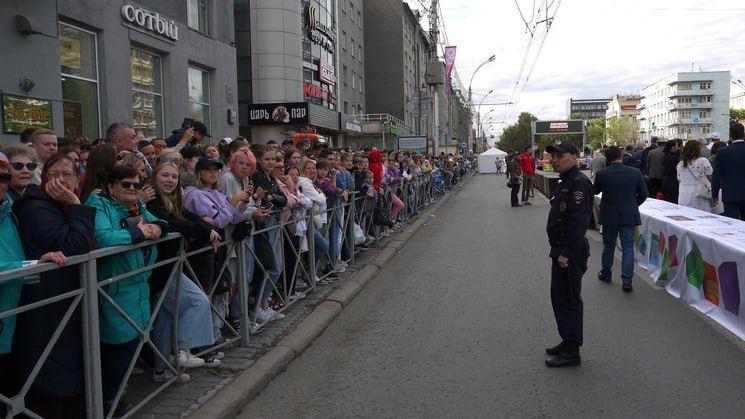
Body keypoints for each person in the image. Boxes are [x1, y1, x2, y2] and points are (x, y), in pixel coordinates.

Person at [12, 154, 96, 417]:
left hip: (65, 295)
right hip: (48, 298)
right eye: (54, 175)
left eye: (67, 175)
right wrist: (74, 204)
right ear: (44, 178)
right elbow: (75, 245)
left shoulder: (55, 205)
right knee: (51, 366)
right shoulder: (37, 207)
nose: (60, 180)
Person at [86, 165, 167, 414]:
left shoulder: (137, 206)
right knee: (117, 349)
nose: (132, 189)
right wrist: (138, 233)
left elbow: (158, 222)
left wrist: (159, 228)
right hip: (114, 287)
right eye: (126, 184)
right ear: (111, 186)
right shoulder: (99, 204)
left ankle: (115, 398)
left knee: (132, 344)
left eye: (136, 184)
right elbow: (104, 237)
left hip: (138, 283)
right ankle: (108, 403)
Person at [0, 152, 70, 416]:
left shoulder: (9, 212)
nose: (2, 181)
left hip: (13, 311)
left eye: (4, 176)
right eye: (16, 167)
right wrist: (31, 266)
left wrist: (34, 264)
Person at [147, 162, 222, 380]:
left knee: (164, 317)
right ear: (155, 177)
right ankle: (180, 351)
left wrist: (207, 228)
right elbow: (172, 224)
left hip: (170, 265)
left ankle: (163, 369)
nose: (170, 180)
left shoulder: (172, 200)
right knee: (198, 300)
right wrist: (204, 231)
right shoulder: (152, 200)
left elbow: (187, 217)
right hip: (160, 268)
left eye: (174, 177)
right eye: (165, 176)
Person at [544, 142, 593, 368]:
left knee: (569, 299)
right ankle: (567, 340)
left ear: (574, 157)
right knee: (560, 298)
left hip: (569, 253)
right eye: (553, 156)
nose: (554, 159)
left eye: (559, 155)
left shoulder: (579, 183)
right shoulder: (566, 182)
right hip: (561, 250)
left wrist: (566, 253)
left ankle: (573, 350)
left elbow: (578, 223)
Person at [593, 146, 648, 292]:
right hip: (629, 215)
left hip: (609, 215)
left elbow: (595, 191)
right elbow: (644, 194)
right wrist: (633, 205)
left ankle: (606, 274)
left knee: (609, 246)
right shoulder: (635, 172)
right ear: (621, 156)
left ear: (607, 158)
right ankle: (627, 280)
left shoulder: (602, 174)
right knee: (628, 247)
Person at [712, 123, 745, 220]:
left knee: (731, 222)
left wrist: (715, 192)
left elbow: (717, 174)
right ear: (743, 134)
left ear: (730, 135)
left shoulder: (723, 152)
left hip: (730, 193)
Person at [677, 140, 715, 213]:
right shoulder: (703, 161)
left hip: (684, 194)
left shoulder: (680, 164)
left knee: (685, 216)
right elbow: (710, 178)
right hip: (699, 192)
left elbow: (679, 180)